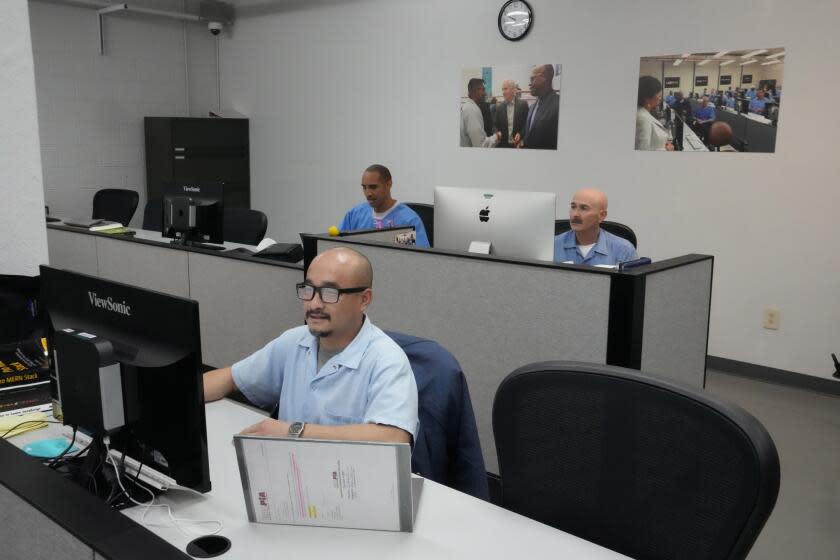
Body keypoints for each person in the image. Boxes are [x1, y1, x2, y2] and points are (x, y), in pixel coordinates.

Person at [203, 247, 419, 443]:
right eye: (308, 290)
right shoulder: (294, 341)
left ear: (364, 299)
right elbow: (231, 378)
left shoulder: (387, 359)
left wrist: (294, 431)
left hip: (348, 479)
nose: (314, 303)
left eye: (330, 293)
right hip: (291, 471)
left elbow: (394, 437)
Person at [338, 164, 430, 248]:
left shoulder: (408, 221)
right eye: (364, 187)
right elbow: (338, 246)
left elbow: (419, 258)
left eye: (373, 187)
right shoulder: (355, 215)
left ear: (388, 184)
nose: (368, 193)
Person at [554, 189, 638, 266]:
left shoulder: (624, 250)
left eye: (584, 208)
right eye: (573, 207)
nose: (575, 214)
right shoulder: (552, 246)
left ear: (602, 215)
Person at [520, 64, 560, 150]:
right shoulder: (532, 107)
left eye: (532, 79)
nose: (529, 84)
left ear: (545, 78)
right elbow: (530, 134)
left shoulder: (558, 106)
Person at [635, 76, 674, 151]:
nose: (660, 98)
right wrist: (666, 149)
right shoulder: (642, 119)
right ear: (646, 98)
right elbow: (642, 151)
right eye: (658, 95)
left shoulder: (644, 113)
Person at [460, 78, 498, 148]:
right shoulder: (472, 110)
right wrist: (497, 137)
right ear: (474, 91)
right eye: (483, 90)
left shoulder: (468, 106)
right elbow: (481, 145)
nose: (485, 93)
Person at [493, 79, 528, 148]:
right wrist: (497, 133)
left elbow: (526, 124)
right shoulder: (499, 107)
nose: (503, 92)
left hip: (518, 145)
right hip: (503, 145)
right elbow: (495, 125)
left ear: (513, 90)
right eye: (502, 89)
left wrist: (520, 134)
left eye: (505, 89)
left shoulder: (523, 105)